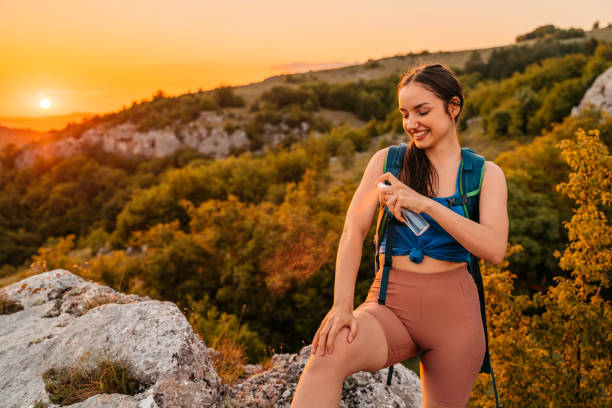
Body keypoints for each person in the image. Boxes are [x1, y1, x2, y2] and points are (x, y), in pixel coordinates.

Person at [291, 63, 508, 408]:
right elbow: (353, 231)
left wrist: (427, 205)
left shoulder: (485, 174)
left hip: (456, 320)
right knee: (326, 356)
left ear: (453, 107)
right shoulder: (387, 162)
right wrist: (342, 306)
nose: (411, 124)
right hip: (389, 305)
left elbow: (495, 248)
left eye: (423, 111)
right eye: (405, 114)